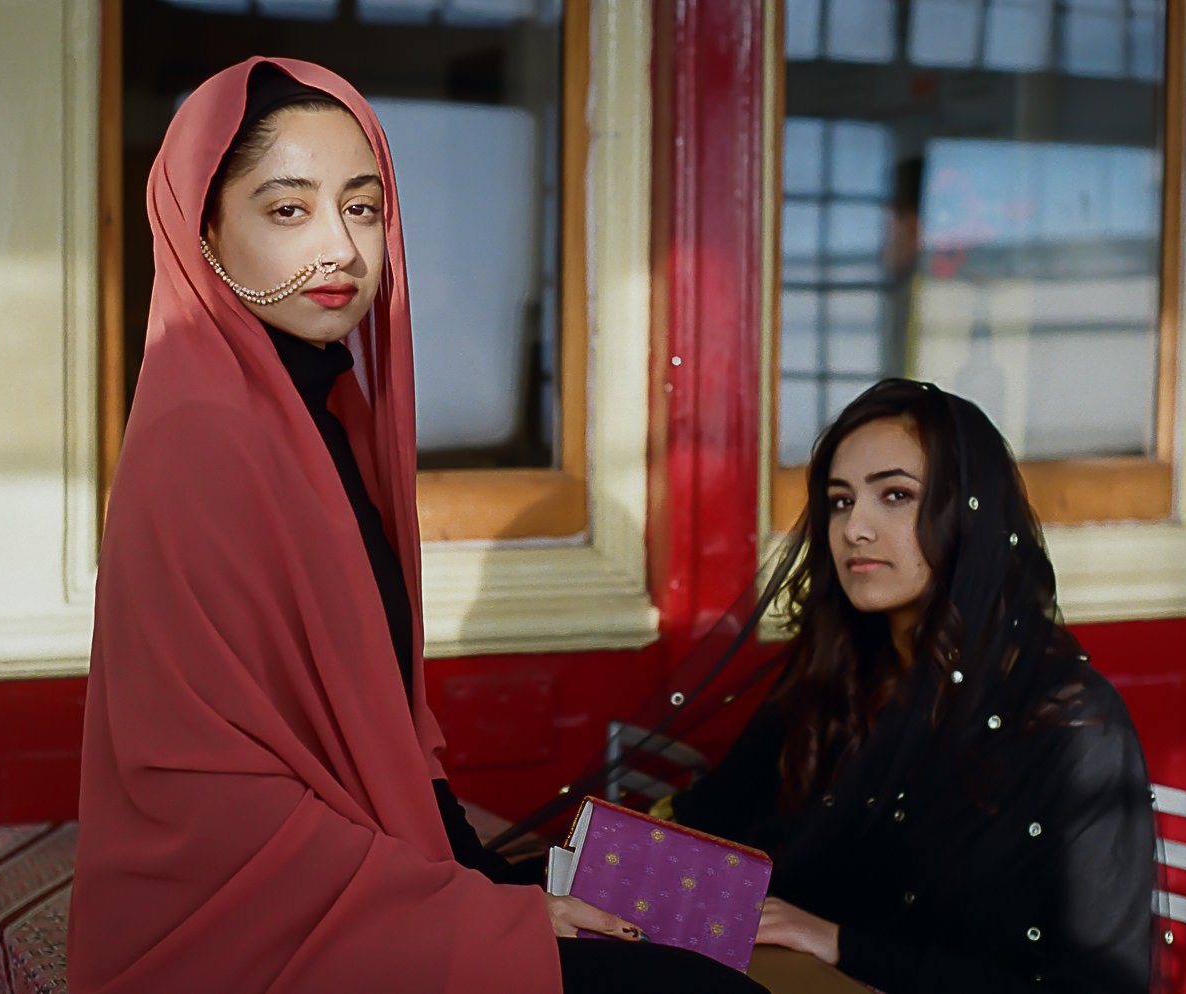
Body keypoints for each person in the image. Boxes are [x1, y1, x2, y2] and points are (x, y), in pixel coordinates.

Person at [68, 57, 765, 994]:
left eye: (361, 208)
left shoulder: (312, 415)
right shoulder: (207, 434)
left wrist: (476, 875)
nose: (342, 251)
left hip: (342, 873)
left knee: (674, 945)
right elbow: (214, 791)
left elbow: (370, 711)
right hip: (245, 916)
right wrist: (482, 911)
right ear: (204, 232)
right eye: (288, 210)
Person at [651, 379, 1161, 993]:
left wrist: (842, 943)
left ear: (969, 514)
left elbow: (1093, 987)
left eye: (895, 495)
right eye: (839, 501)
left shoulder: (1070, 724)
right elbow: (716, 821)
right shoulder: (839, 675)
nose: (854, 528)